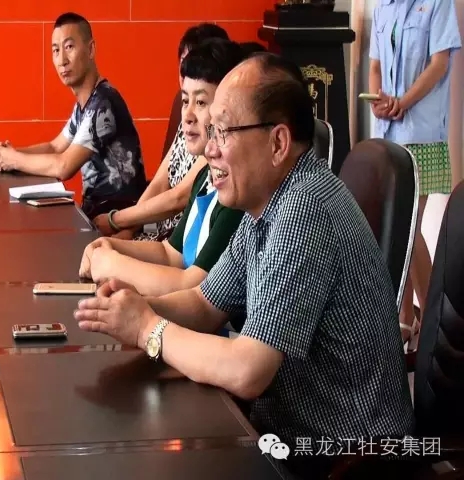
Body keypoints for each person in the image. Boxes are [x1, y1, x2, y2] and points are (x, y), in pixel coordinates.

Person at [75, 53, 414, 479]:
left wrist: (147, 329)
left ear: (277, 143)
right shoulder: (264, 203)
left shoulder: (305, 210)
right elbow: (204, 304)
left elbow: (248, 369)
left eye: (224, 131)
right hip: (284, 433)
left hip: (345, 457)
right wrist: (132, 309)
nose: (210, 149)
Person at [79, 39, 245, 297]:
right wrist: (109, 245)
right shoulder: (205, 177)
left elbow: (193, 287)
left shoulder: (237, 193)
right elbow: (170, 253)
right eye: (185, 101)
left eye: (201, 103)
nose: (187, 115)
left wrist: (112, 264)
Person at [0, 12, 147, 219]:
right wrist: (8, 154)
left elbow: (64, 166)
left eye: (69, 47)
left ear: (91, 49)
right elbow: (55, 147)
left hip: (115, 220)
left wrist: (15, 160)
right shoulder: (86, 104)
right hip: (96, 215)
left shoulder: (103, 104)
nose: (62, 60)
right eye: (56, 50)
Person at [368, 0, 461, 343]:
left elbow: (440, 64)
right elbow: (375, 65)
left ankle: (437, 321)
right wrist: (377, 100)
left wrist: (403, 101)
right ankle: (408, 316)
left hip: (421, 133)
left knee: (409, 228)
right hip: (387, 132)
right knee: (400, 227)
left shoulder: (437, 4)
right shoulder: (382, 8)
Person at [93, 23, 231, 241]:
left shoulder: (216, 145)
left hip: (173, 240)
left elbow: (178, 198)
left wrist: (115, 220)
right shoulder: (187, 118)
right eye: (185, 66)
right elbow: (159, 183)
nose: (188, 74)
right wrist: (128, 230)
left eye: (201, 101)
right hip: (159, 237)